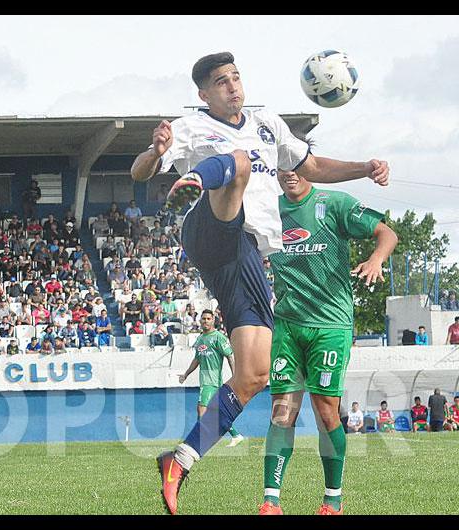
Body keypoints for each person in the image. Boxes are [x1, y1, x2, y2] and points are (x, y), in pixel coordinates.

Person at [132, 52, 389, 516]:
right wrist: (155, 152)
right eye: (220, 81)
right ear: (203, 94)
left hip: (243, 257)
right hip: (210, 228)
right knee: (236, 161)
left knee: (253, 374)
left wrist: (364, 168)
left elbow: (310, 167)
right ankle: (195, 178)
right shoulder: (188, 127)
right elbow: (139, 171)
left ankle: (180, 460)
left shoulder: (268, 123)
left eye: (235, 77)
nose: (232, 86)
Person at [258, 169, 397, 515]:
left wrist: (376, 258)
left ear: (309, 166)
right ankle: (271, 501)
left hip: (330, 325)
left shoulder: (334, 203)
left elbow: (387, 233)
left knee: (325, 412)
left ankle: (332, 499)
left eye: (296, 164)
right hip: (288, 325)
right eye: (281, 165)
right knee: (281, 413)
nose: (289, 173)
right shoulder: (267, 210)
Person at [178, 309, 243, 447]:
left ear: (213, 320)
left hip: (211, 381)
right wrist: (186, 374)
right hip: (205, 380)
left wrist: (235, 375)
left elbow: (230, 356)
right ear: (200, 320)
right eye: (203, 319)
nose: (205, 321)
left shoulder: (218, 337)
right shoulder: (200, 338)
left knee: (201, 409)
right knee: (215, 411)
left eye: (208, 318)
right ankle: (235, 435)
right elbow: (197, 359)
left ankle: (198, 441)